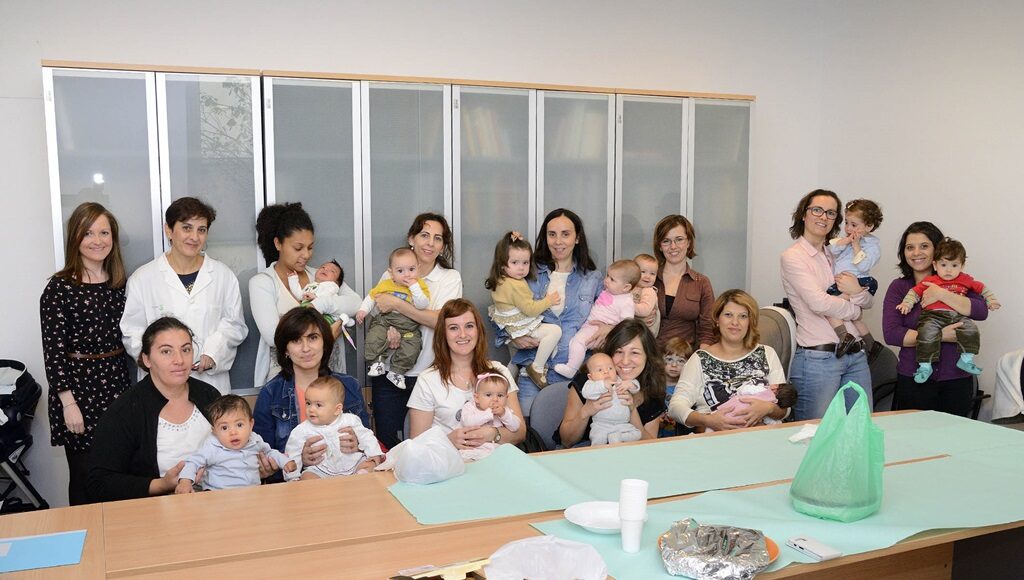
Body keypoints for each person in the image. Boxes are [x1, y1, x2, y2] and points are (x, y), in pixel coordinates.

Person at [40, 202, 132, 505]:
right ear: (75, 238)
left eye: (104, 233)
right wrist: (68, 404)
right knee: (84, 476)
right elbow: (53, 352)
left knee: (119, 472)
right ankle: (85, 532)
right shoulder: (59, 288)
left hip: (117, 384)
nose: (97, 240)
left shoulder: (120, 284)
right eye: (88, 233)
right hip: (78, 392)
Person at [121, 197, 247, 395]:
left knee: (211, 414)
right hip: (160, 384)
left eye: (201, 230)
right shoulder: (143, 279)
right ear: (169, 230)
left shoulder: (223, 276)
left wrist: (213, 353)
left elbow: (235, 325)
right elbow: (132, 332)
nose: (194, 237)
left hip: (209, 381)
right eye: (187, 228)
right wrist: (159, 361)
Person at [87, 317, 222, 502]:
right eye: (166, 351)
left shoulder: (209, 395)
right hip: (155, 508)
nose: (179, 360)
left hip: (216, 501)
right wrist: (161, 485)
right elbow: (99, 482)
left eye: (186, 349)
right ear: (147, 359)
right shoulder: (126, 410)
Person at [369, 213, 463, 449]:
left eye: (438, 238)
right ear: (411, 239)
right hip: (389, 372)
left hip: (431, 374)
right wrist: (389, 328)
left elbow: (443, 321)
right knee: (389, 444)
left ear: (443, 246)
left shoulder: (449, 278)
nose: (430, 243)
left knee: (427, 446)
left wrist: (398, 305)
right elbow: (377, 310)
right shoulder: (391, 273)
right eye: (424, 235)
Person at [780, 189, 873, 420]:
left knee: (860, 428)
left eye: (831, 213)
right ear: (804, 214)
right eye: (817, 210)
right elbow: (819, 303)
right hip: (818, 359)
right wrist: (855, 309)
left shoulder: (838, 254)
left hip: (856, 354)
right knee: (814, 433)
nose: (824, 217)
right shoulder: (793, 256)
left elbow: (868, 299)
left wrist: (856, 294)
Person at [883, 222, 991, 416]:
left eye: (924, 246)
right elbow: (892, 334)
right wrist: (940, 335)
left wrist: (941, 293)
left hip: (956, 378)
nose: (916, 253)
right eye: (910, 247)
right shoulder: (899, 287)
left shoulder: (959, 282)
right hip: (914, 377)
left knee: (954, 433)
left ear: (937, 250)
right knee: (915, 433)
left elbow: (981, 311)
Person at [502, 209, 603, 415]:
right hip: (532, 371)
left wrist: (608, 328)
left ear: (577, 238)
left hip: (576, 375)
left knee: (573, 430)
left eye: (565, 234)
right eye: (552, 234)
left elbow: (611, 312)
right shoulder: (527, 271)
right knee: (529, 429)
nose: (558, 241)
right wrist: (512, 336)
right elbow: (502, 308)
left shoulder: (592, 278)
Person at [250, 202, 361, 386]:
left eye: (310, 247)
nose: (306, 255)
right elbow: (273, 336)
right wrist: (327, 333)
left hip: (328, 380)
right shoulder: (262, 282)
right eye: (298, 248)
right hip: (285, 382)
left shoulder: (322, 275)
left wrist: (320, 304)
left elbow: (356, 304)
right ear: (278, 243)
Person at [253, 308, 369, 477]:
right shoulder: (271, 393)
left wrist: (358, 444)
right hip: (295, 488)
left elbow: (369, 443)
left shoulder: (349, 386)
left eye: (313, 338)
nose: (306, 348)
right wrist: (299, 461)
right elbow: (263, 464)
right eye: (296, 340)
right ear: (285, 349)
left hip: (348, 481)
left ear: (324, 343)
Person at [407, 299, 527, 451]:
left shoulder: (499, 372)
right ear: (443, 334)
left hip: (496, 460)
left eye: (469, 326)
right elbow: (417, 445)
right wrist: (448, 441)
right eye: (453, 328)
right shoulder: (428, 380)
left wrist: (492, 434)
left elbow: (520, 433)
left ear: (478, 330)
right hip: (451, 462)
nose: (463, 334)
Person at [667, 290, 790, 431]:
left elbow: (785, 408)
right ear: (717, 320)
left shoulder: (767, 353)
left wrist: (768, 408)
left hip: (765, 437)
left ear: (750, 322)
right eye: (728, 315)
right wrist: (708, 420)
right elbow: (675, 407)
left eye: (743, 316)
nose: (735, 322)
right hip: (717, 438)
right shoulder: (699, 359)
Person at [896, 237, 999, 382]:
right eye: (943, 265)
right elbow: (914, 292)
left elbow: (982, 291)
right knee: (926, 333)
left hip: (957, 317)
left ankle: (966, 359)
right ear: (935, 265)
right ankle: (925, 365)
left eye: (954, 265)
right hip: (933, 316)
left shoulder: (965, 280)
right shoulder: (931, 280)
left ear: (962, 266)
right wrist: (907, 304)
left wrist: (992, 300)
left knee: (971, 329)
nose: (949, 270)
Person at [557, 319, 667, 448]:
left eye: (634, 353)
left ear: (648, 356)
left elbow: (650, 447)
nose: (625, 361)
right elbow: (566, 441)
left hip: (629, 455)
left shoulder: (653, 389)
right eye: (619, 352)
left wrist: (632, 410)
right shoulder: (588, 381)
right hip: (585, 452)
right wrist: (586, 410)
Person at [485, 231, 562, 388]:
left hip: (509, 328)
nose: (521, 268)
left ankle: (501, 385)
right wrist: (548, 301)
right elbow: (530, 309)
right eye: (515, 262)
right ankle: (537, 368)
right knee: (555, 331)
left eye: (525, 263)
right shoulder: (515, 285)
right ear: (502, 263)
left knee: (515, 361)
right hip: (521, 328)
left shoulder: (501, 281)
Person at [176, 395, 296, 493]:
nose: (233, 432)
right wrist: (185, 481)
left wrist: (285, 462)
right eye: (224, 428)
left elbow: (270, 452)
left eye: (239, 425)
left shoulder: (255, 440)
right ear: (214, 431)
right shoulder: (212, 446)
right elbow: (193, 462)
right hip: (217, 495)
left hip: (252, 493)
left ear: (251, 424)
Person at [356, 247, 431, 385]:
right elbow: (372, 297)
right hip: (385, 321)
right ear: (391, 273)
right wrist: (363, 310)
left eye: (411, 269)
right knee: (375, 337)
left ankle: (397, 371)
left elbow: (422, 305)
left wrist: (414, 287)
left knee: (412, 347)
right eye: (400, 271)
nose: (407, 275)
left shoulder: (420, 285)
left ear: (418, 269)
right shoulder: (386, 284)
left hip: (409, 326)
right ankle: (377, 362)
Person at [285, 376, 384, 479]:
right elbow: (292, 453)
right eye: (308, 403)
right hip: (320, 470)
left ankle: (361, 475)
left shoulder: (350, 420)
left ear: (337, 409)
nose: (311, 409)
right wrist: (292, 476)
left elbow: (366, 436)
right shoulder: (302, 430)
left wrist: (374, 454)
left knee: (369, 465)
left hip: (354, 464)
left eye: (318, 405)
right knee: (307, 476)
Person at [554, 260, 640, 378]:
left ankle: (571, 368)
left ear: (626, 287)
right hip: (591, 326)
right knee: (575, 343)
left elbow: (627, 324)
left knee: (577, 342)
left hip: (598, 330)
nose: (606, 280)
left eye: (612, 279)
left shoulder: (626, 302)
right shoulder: (610, 291)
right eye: (607, 276)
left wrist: (610, 329)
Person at [826, 199, 884, 358]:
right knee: (855, 317)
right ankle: (872, 344)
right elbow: (831, 250)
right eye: (846, 223)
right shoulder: (847, 239)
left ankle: (844, 337)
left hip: (860, 281)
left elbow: (864, 265)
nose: (848, 228)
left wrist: (856, 245)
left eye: (854, 225)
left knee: (831, 308)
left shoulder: (872, 247)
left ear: (869, 226)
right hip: (844, 282)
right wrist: (846, 241)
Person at [652, 215, 714, 352]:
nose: (673, 246)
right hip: (649, 355)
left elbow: (707, 329)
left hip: (685, 358)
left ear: (689, 242)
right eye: (666, 241)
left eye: (679, 239)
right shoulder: (648, 279)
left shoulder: (701, 283)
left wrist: (701, 358)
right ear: (660, 246)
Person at [457, 373, 522, 461]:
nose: (495, 399)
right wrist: (488, 413)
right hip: (472, 451)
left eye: (500, 395)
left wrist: (504, 415)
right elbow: (468, 423)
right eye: (488, 395)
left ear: (506, 398)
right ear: (476, 398)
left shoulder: (504, 410)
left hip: (497, 452)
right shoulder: (470, 407)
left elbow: (515, 427)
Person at [580, 353, 641, 445]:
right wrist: (603, 385)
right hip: (601, 425)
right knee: (598, 439)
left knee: (637, 434)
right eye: (600, 370)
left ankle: (617, 437)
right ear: (590, 376)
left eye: (610, 368)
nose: (606, 372)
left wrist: (630, 384)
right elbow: (586, 393)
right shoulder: (592, 384)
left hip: (623, 424)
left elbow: (636, 386)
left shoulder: (620, 380)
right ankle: (601, 450)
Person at [288, 259, 354, 327]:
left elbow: (328, 294)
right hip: (307, 309)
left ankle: (342, 319)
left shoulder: (332, 286)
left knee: (322, 324)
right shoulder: (310, 285)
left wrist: (316, 296)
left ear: (336, 282)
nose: (325, 270)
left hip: (325, 314)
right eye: (323, 267)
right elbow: (299, 295)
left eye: (332, 271)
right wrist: (293, 279)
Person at [659, 337, 693, 438]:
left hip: (680, 437)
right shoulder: (655, 386)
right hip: (655, 437)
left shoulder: (687, 388)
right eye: (669, 359)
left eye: (681, 361)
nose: (674, 365)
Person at [633, 253, 661, 336]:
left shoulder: (649, 291)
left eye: (652, 274)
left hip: (645, 334)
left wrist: (626, 305)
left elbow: (644, 311)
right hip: (634, 329)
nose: (648, 276)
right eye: (643, 272)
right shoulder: (630, 288)